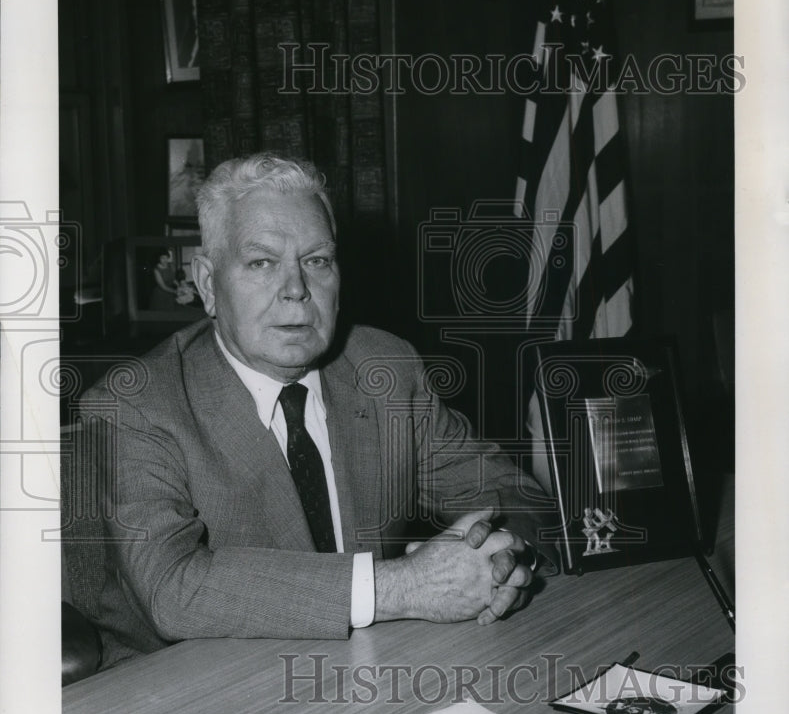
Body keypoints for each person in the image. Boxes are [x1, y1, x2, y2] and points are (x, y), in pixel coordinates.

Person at [85, 153, 557, 668]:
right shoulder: (134, 404)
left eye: (317, 260)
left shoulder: (384, 369)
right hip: (185, 694)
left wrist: (504, 559)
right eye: (261, 263)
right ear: (206, 283)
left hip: (362, 672)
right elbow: (172, 590)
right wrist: (401, 586)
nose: (295, 291)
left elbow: (512, 493)